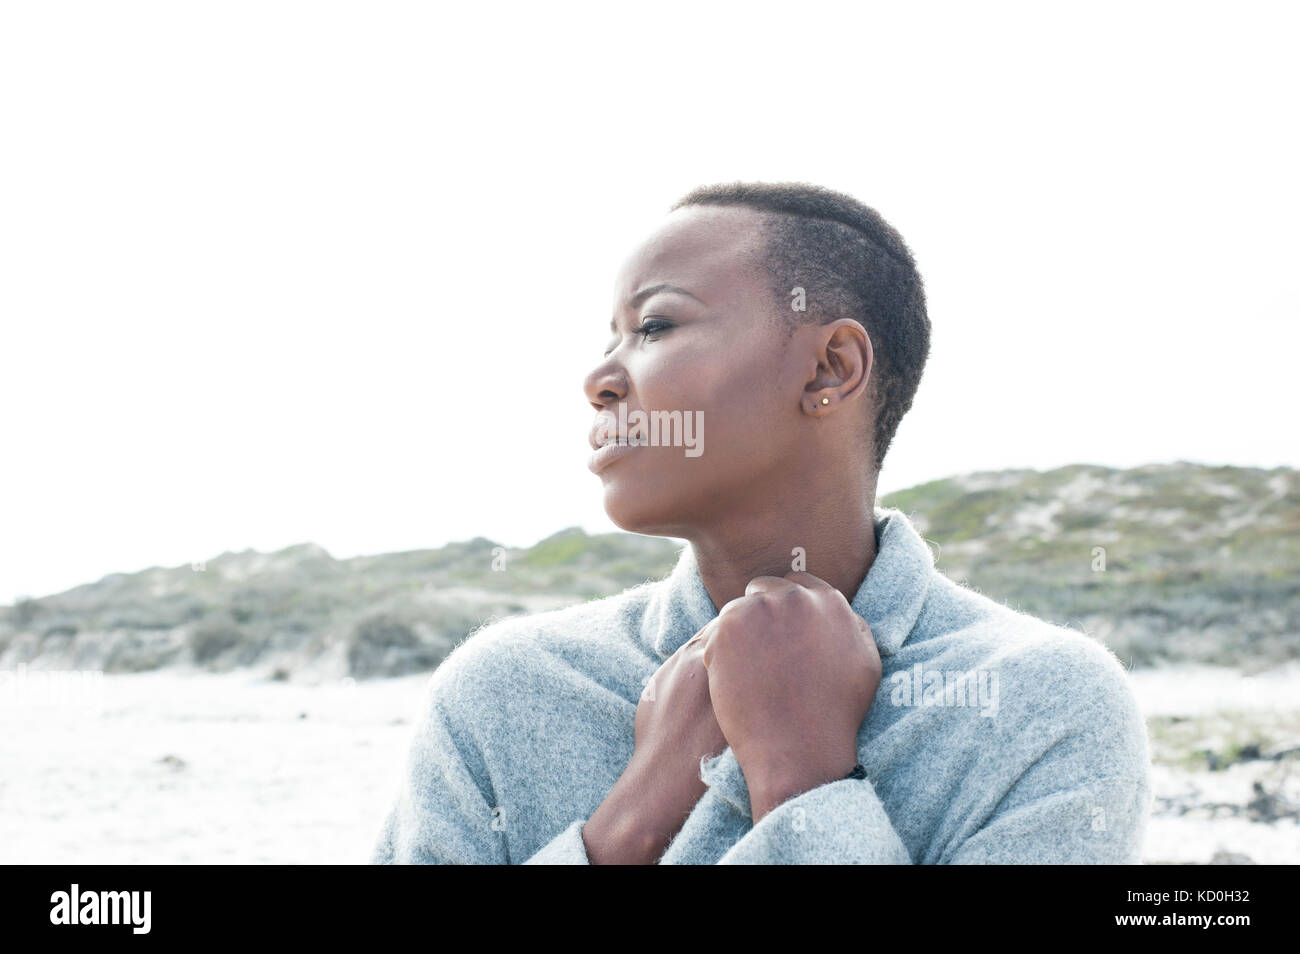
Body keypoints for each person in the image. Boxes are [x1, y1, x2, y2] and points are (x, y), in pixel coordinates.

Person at [370, 181, 1151, 864]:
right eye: (609, 337)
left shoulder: (1042, 702)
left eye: (655, 327)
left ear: (829, 368)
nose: (600, 378)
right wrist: (633, 823)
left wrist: (799, 779)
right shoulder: (504, 690)